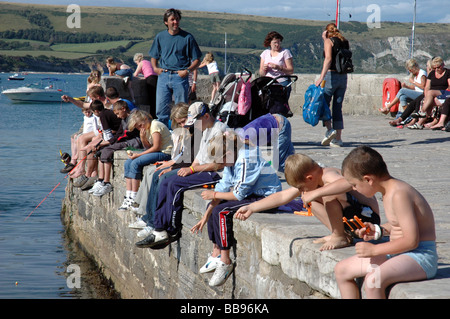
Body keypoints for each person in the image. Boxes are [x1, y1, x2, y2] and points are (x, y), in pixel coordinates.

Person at [334, 146, 438, 299]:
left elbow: (412, 241)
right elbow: (398, 224)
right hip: (398, 255)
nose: (354, 189)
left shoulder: (399, 194)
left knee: (373, 281)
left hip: (420, 257)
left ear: (368, 179)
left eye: (354, 185)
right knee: (341, 270)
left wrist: (374, 250)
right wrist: (378, 230)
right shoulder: (388, 191)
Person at [191, 131, 282, 286]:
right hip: (250, 193)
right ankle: (216, 253)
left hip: (265, 197)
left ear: (228, 153)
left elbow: (239, 194)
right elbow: (224, 186)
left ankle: (225, 261)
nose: (220, 165)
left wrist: (214, 194)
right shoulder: (231, 159)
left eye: (221, 161)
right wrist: (205, 216)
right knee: (214, 206)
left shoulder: (247, 159)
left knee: (222, 212)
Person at [236, 153, 380, 251]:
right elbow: (282, 196)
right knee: (311, 201)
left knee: (327, 194)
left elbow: (347, 183)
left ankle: (339, 236)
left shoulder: (328, 174)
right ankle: (341, 233)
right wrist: (252, 207)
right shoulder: (311, 182)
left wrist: (317, 192)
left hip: (367, 217)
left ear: (309, 178)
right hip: (352, 220)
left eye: (300, 186)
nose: (300, 190)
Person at [135, 101, 228, 249]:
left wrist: (191, 170)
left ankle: (171, 230)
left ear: (206, 115)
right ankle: (159, 228)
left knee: (174, 184)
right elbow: (200, 157)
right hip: (202, 169)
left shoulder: (220, 131)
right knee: (165, 181)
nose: (192, 125)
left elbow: (219, 165)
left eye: (195, 121)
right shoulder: (205, 128)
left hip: (214, 174)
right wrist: (191, 167)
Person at [129, 103, 201, 238]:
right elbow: (184, 155)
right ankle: (149, 219)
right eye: (179, 123)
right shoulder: (189, 131)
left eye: (183, 121)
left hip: (194, 167)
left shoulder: (198, 131)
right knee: (156, 173)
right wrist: (170, 163)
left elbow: (191, 158)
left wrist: (171, 166)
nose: (182, 125)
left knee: (162, 176)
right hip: (184, 163)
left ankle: (154, 223)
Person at [149, 8, 202, 127]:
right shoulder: (160, 37)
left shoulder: (187, 37)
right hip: (164, 75)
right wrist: (155, 68)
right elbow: (153, 56)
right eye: (172, 20)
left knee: (181, 111)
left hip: (180, 77)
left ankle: (181, 137)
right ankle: (163, 137)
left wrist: (187, 71)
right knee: (161, 111)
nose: (175, 22)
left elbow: (197, 60)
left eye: (177, 19)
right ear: (166, 22)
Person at [119, 110, 173, 210]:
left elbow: (156, 147)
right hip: (158, 152)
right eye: (138, 127)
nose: (140, 128)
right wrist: (143, 138)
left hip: (165, 153)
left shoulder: (155, 125)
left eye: (140, 125)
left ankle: (134, 197)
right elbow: (148, 148)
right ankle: (129, 196)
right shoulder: (147, 127)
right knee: (128, 163)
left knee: (135, 163)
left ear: (145, 119)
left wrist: (138, 156)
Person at [89, 100, 142, 196]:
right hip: (126, 140)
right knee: (101, 150)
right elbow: (119, 134)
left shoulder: (132, 118)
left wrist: (109, 143)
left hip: (135, 141)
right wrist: (106, 143)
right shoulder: (123, 119)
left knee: (107, 149)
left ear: (123, 109)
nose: (117, 116)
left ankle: (107, 183)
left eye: (118, 113)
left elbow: (125, 134)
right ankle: (101, 180)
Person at [74, 99, 123, 190]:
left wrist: (99, 144)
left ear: (96, 111)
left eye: (92, 112)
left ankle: (91, 177)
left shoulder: (103, 116)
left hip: (117, 137)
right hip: (115, 134)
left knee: (96, 149)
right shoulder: (106, 112)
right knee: (92, 145)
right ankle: (90, 176)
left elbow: (108, 136)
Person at [315, 23, 350, 147]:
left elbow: (328, 59)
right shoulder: (344, 41)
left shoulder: (329, 41)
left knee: (324, 104)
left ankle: (330, 130)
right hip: (343, 77)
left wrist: (321, 77)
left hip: (331, 76)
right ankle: (338, 139)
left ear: (326, 32)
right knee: (337, 107)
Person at [410, 57, 450, 129]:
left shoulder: (448, 73)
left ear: (443, 65)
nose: (437, 70)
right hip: (432, 95)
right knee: (429, 100)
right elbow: (427, 87)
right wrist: (426, 96)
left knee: (431, 93)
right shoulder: (432, 74)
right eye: (435, 68)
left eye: (438, 67)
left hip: (444, 92)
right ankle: (419, 123)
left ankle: (422, 112)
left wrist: (437, 95)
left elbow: (449, 86)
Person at [61, 107, 100, 173]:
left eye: (89, 112)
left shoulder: (93, 118)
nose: (87, 114)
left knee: (80, 139)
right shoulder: (85, 117)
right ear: (83, 112)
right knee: (75, 136)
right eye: (86, 112)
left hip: (90, 133)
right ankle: (74, 158)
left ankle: (78, 156)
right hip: (85, 132)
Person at [259, 31, 294, 98]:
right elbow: (261, 73)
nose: (277, 45)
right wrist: (264, 69)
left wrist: (278, 67)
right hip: (268, 82)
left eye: (279, 42)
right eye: (275, 43)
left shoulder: (285, 52)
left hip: (282, 82)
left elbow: (291, 71)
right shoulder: (265, 53)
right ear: (270, 43)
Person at [133, 53, 158, 118]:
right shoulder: (148, 62)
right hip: (156, 78)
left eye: (136, 63)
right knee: (155, 97)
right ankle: (156, 114)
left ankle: (153, 115)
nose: (137, 64)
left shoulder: (141, 63)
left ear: (137, 60)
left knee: (151, 98)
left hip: (150, 79)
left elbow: (135, 74)